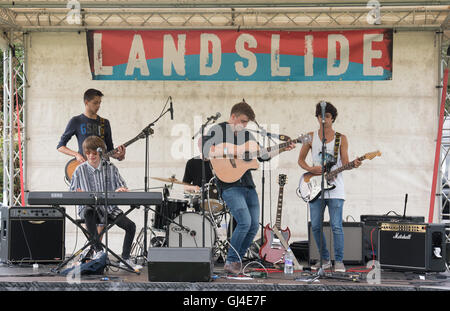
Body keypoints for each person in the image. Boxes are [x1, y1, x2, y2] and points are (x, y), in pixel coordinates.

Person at [204, 101, 295, 275]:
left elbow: (263, 155)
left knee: (253, 225)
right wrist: (236, 151)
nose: (245, 125)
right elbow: (207, 151)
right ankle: (231, 261)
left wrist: (283, 149)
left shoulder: (246, 135)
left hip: (247, 184)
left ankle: (238, 260)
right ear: (233, 117)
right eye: (243, 121)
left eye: (247, 123)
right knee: (244, 221)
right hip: (229, 185)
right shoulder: (218, 130)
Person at [297, 101, 361, 273]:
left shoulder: (342, 138)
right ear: (317, 118)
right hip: (316, 186)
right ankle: (325, 259)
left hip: (336, 188)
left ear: (332, 118)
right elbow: (300, 160)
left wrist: (353, 164)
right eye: (320, 116)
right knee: (316, 226)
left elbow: (345, 163)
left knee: (336, 226)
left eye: (327, 116)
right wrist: (311, 169)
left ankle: (339, 261)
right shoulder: (310, 136)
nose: (323, 119)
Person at [69, 135, 141, 270]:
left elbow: (122, 185)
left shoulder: (110, 167)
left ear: (101, 151)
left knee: (130, 226)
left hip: (109, 209)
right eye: (88, 153)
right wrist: (77, 193)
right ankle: (98, 251)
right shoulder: (80, 170)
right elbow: (72, 192)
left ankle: (125, 259)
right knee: (89, 211)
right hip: (90, 210)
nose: (91, 156)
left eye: (94, 152)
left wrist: (121, 189)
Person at [57, 88, 126, 165]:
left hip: (103, 168)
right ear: (86, 102)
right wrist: (76, 154)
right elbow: (60, 146)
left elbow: (109, 150)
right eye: (95, 103)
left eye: (100, 103)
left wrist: (120, 156)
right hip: (85, 167)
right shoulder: (76, 121)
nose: (98, 106)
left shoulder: (105, 123)